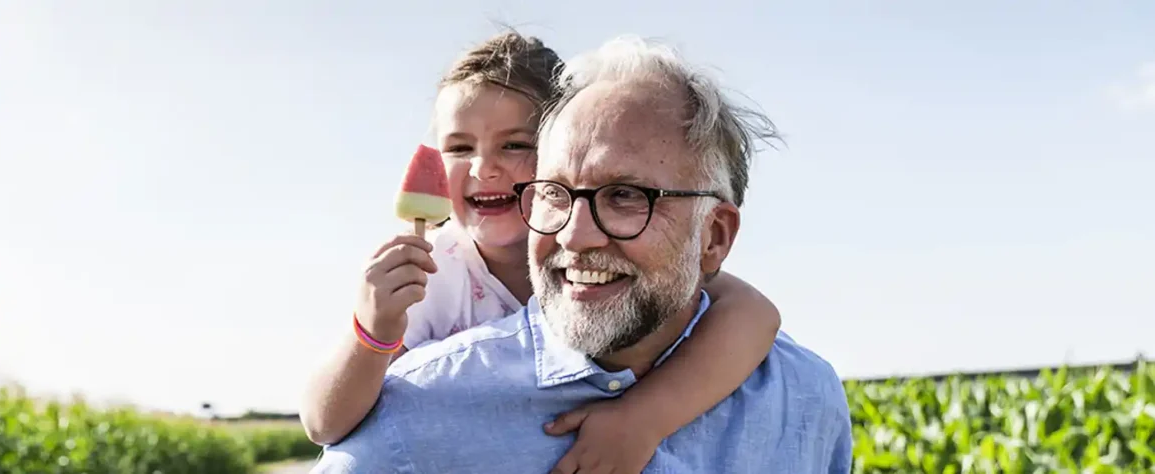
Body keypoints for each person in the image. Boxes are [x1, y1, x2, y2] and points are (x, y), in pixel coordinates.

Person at [308, 34, 852, 474]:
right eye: (556, 194)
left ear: (714, 239)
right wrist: (372, 330)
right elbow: (324, 421)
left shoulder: (806, 398)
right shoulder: (431, 290)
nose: (575, 235)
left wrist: (645, 417)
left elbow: (751, 313)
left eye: (624, 196)